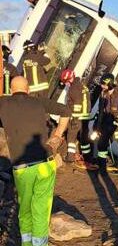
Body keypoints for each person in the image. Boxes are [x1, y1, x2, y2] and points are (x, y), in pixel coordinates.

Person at [0, 76, 70, 246]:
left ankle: (27, 244)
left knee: (24, 210)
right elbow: (66, 111)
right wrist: (57, 135)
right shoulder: (38, 102)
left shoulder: (3, 104)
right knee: (40, 210)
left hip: (21, 168)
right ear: (28, 90)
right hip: (45, 164)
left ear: (11, 90)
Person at [60, 69, 98, 170]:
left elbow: (76, 104)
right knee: (84, 139)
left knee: (71, 136)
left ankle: (70, 157)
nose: (66, 84)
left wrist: (72, 115)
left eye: (66, 82)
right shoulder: (82, 85)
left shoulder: (73, 89)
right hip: (85, 117)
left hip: (78, 117)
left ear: (68, 80)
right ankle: (88, 158)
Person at [93, 73, 118, 173]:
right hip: (106, 121)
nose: (102, 86)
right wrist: (98, 126)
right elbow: (101, 111)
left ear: (109, 84)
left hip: (117, 123)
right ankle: (102, 165)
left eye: (103, 84)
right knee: (102, 143)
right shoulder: (103, 94)